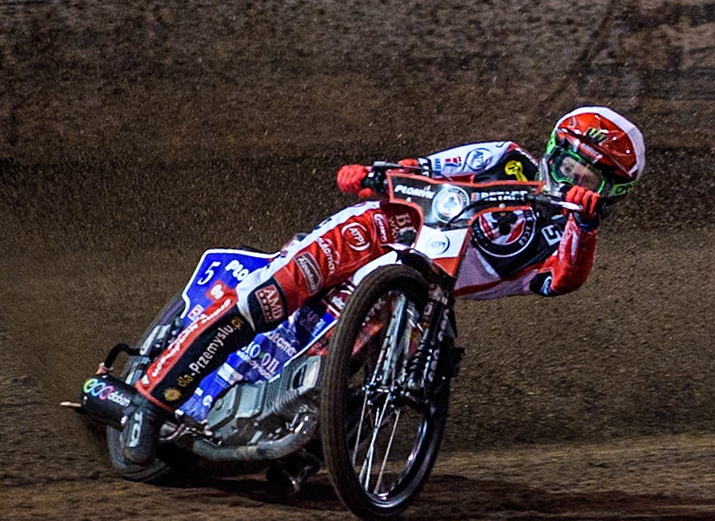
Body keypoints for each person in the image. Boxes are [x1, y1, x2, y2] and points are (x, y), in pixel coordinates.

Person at [119, 106, 645, 465]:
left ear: (611, 192)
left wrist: (586, 224)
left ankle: (310, 444)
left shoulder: (567, 236)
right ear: (553, 148)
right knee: (268, 295)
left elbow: (565, 280)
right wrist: (373, 175)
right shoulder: (503, 157)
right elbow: (431, 166)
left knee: (369, 365)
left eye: (591, 178)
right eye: (571, 163)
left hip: (422, 296)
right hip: (378, 231)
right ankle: (152, 402)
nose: (575, 180)